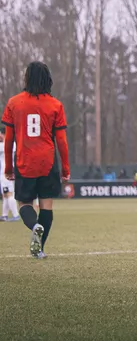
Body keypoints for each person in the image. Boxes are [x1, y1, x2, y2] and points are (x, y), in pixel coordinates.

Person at [2, 61, 71, 258]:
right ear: (48, 80)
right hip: (48, 162)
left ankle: (35, 226)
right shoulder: (56, 105)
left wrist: (8, 167)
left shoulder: (14, 103)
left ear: (27, 78)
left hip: (25, 160)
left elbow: (9, 140)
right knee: (46, 206)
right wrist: (65, 169)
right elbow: (62, 141)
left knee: (24, 204)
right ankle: (39, 249)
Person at [1, 131, 19, 222]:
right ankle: (4, 215)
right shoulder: (14, 143)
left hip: (5, 172)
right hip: (10, 170)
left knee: (8, 194)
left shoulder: (3, 145)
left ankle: (16, 215)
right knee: (5, 194)